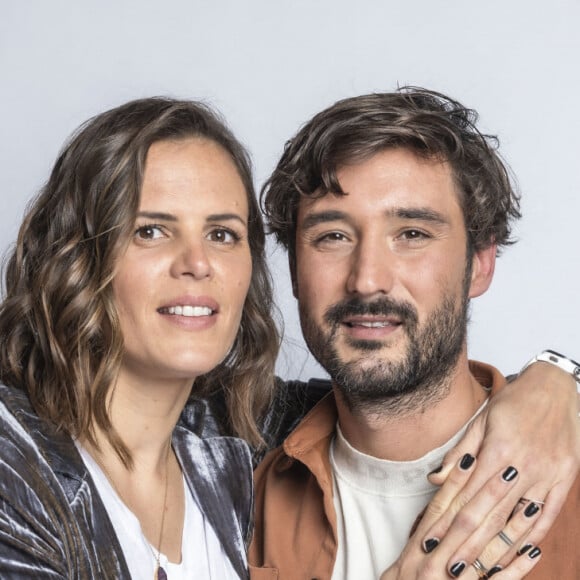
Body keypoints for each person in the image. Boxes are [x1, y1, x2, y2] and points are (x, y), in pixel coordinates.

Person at [250, 88, 580, 579]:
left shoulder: (565, 478)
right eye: (332, 236)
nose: (367, 278)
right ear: (295, 270)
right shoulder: (235, 491)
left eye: (412, 234)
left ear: (480, 262)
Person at [0, 97, 280, 578]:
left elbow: (386, 407)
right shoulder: (13, 463)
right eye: (151, 231)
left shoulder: (228, 449)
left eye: (222, 234)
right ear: (77, 260)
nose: (197, 262)